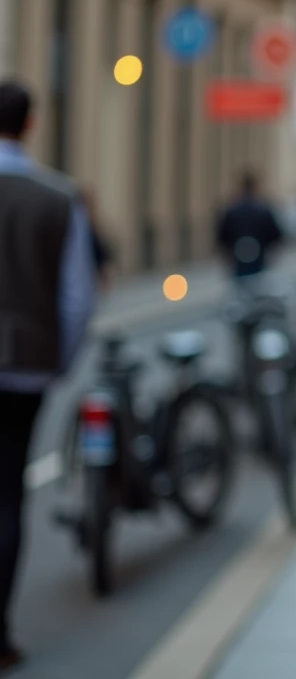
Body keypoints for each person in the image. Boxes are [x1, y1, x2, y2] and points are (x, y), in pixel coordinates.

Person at [0, 80, 96, 673]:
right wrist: (57, 358)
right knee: (8, 493)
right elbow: (75, 298)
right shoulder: (59, 198)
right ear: (30, 124)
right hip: (25, 366)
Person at [215, 170, 284, 279]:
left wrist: (227, 255)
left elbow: (222, 236)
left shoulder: (232, 209)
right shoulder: (263, 209)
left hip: (237, 260)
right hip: (259, 259)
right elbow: (276, 235)